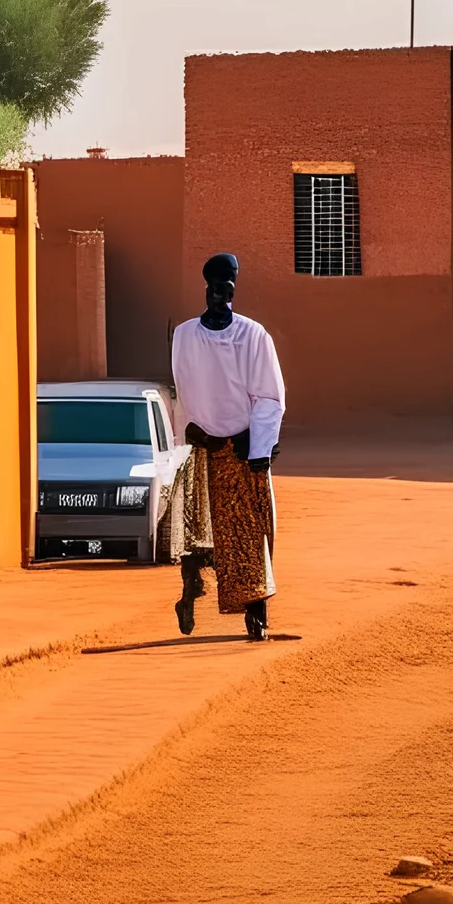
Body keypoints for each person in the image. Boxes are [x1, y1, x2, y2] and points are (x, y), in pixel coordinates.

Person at [170, 252, 285, 642]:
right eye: (216, 285)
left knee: (251, 533)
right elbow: (182, 389)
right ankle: (191, 592)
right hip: (201, 450)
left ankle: (256, 611)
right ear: (207, 288)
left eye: (228, 285)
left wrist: (259, 447)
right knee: (197, 532)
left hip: (242, 451)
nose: (221, 292)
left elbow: (269, 395)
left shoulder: (252, 335)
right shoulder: (185, 334)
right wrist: (187, 431)